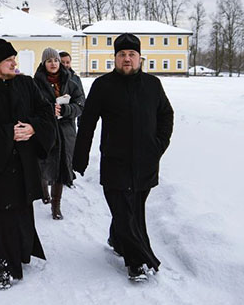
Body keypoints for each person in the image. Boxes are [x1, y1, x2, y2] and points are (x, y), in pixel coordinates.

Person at [73, 33, 174, 283]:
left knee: (134, 210)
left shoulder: (152, 85)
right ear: (115, 58)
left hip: (146, 163)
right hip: (115, 161)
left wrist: (158, 145)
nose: (127, 59)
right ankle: (138, 261)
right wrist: (79, 158)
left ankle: (118, 239)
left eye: (131, 54)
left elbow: (166, 115)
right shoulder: (103, 85)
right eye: (121, 55)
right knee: (125, 212)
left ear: (140, 57)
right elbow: (87, 123)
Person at [0, 38, 58, 290]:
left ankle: (22, 252)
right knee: (0, 211)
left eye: (14, 58)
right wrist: (9, 133)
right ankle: (1, 263)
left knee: (22, 208)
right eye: (8, 59)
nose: (14, 62)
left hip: (25, 162)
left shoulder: (27, 84)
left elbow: (46, 113)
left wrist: (34, 128)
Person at [33, 47, 85, 220]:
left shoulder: (71, 82)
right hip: (45, 132)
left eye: (55, 60)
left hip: (66, 132)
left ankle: (56, 206)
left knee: (61, 169)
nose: (54, 63)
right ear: (44, 63)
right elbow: (30, 108)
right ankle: (43, 192)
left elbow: (81, 105)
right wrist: (49, 111)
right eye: (49, 61)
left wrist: (66, 109)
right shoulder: (36, 83)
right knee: (43, 164)